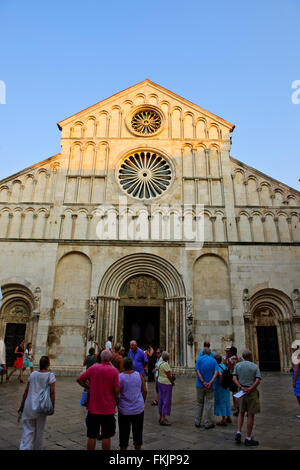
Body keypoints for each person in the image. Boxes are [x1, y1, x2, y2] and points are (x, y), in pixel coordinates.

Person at [77, 349, 120, 451]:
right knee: (106, 436)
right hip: (108, 408)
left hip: (93, 408)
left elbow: (79, 379)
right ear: (110, 359)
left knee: (91, 436)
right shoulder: (114, 371)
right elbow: (117, 390)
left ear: (100, 357)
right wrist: (116, 400)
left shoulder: (93, 368)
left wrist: (88, 387)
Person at [18, 356, 56, 450]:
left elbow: (26, 391)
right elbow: (52, 392)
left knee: (27, 430)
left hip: (29, 406)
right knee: (39, 431)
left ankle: (24, 448)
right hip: (41, 407)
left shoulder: (33, 374)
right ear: (48, 364)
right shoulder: (50, 375)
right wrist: (52, 406)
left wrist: (22, 405)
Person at [233, 349, 261, 446]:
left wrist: (240, 387)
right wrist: (250, 388)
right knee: (250, 414)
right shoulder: (255, 366)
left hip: (241, 392)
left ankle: (238, 432)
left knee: (241, 412)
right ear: (250, 356)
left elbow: (234, 378)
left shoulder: (238, 365)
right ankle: (248, 438)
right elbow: (257, 380)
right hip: (251, 392)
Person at [118, 357, 147, 450]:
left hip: (124, 410)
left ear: (123, 366)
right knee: (138, 435)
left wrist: (118, 403)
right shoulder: (139, 375)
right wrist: (142, 402)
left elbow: (116, 392)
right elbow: (145, 391)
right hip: (138, 409)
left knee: (123, 436)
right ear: (132, 365)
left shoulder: (120, 376)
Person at [195, 347, 218, 429]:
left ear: (203, 353)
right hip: (210, 386)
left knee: (199, 403)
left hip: (200, 385)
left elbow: (197, 371)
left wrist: (202, 381)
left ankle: (197, 421)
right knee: (208, 403)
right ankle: (207, 422)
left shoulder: (199, 359)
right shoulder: (213, 360)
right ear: (209, 353)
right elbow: (216, 373)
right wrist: (210, 382)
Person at [157, 351, 175, 426]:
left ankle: (161, 416)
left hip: (160, 382)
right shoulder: (166, 364)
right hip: (166, 384)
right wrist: (172, 382)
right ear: (167, 358)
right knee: (166, 401)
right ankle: (163, 419)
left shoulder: (159, 363)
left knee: (161, 399)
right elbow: (168, 375)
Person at [214, 354, 232, 425]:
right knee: (227, 401)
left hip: (220, 387)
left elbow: (220, 374)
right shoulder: (224, 366)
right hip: (226, 386)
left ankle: (223, 419)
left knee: (221, 402)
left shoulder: (217, 367)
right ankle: (228, 416)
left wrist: (219, 382)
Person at [292, 348, 300, 418]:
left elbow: (296, 371)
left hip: (298, 379)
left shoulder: (296, 358)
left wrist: (294, 381)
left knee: (299, 396)